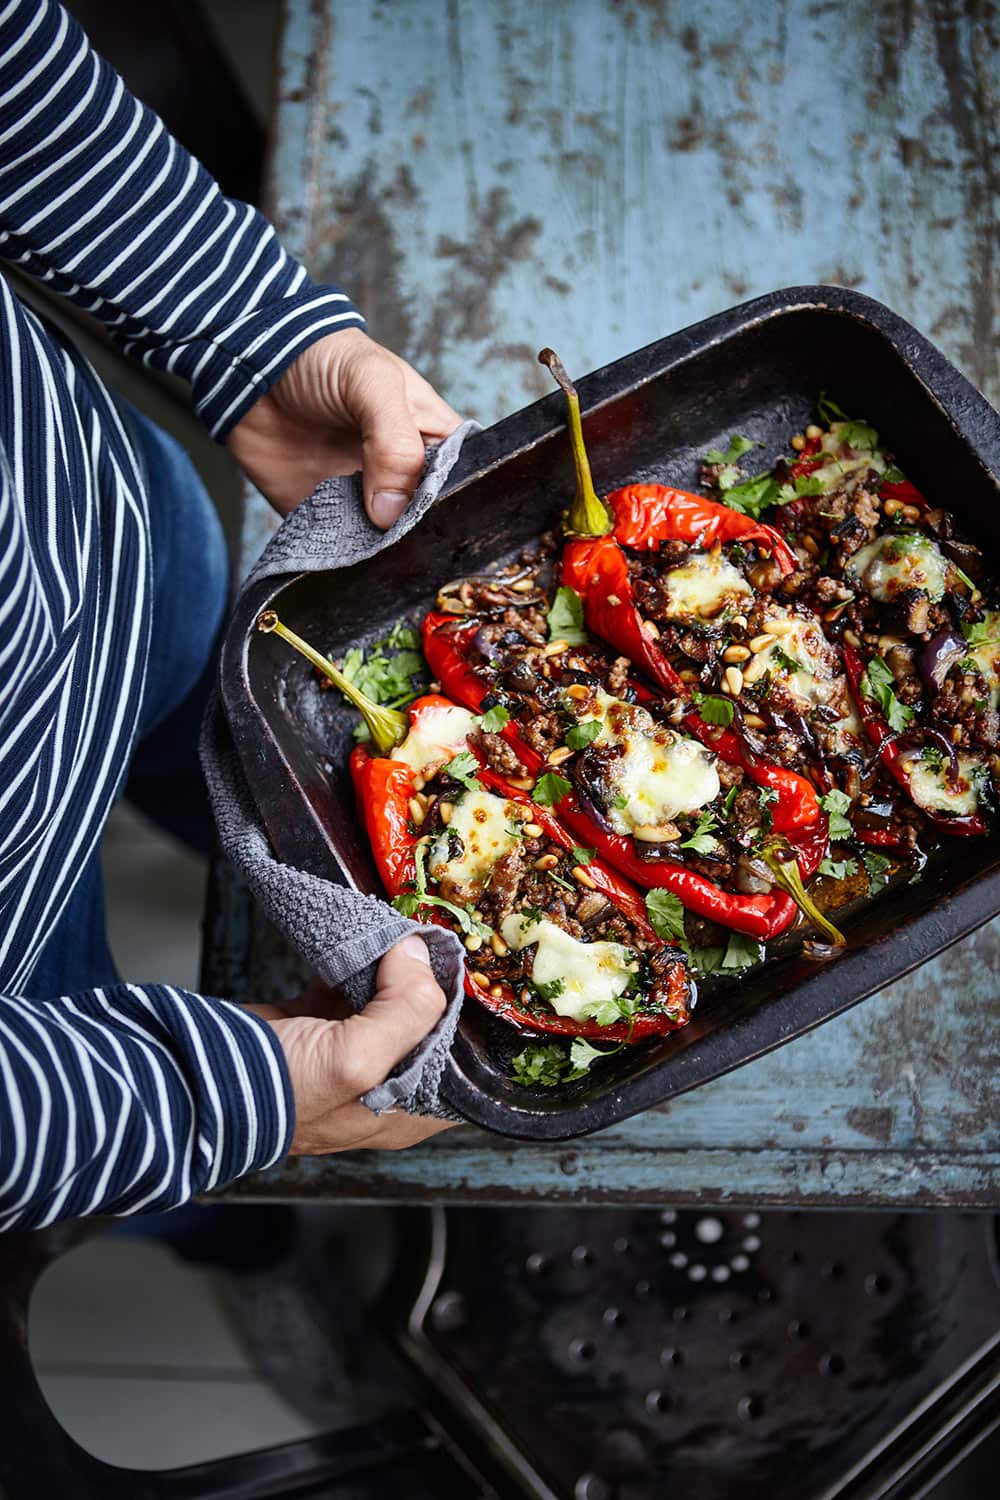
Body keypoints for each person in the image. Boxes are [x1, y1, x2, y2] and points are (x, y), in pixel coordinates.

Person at [0, 0, 462, 1232]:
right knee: (178, 1170)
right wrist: (204, 1103)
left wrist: (248, 336)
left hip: (110, 539)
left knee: (255, 803)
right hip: (15, 976)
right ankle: (255, 1243)